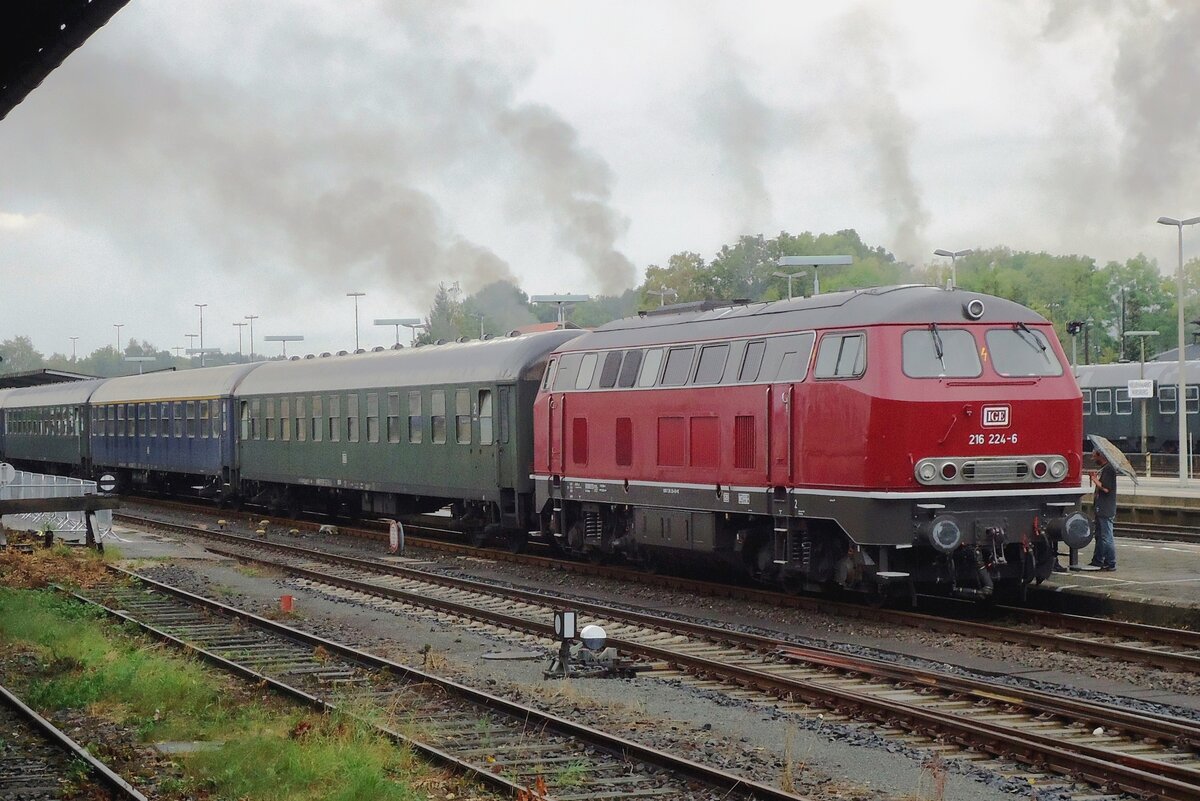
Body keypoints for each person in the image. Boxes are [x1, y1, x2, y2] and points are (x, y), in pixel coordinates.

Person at [1088, 448, 1118, 571]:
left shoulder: (1109, 470)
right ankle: (1097, 560)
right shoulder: (1105, 469)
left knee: (1106, 536)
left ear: (1101, 456)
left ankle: (1110, 562)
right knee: (1099, 536)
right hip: (1101, 508)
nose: (1093, 458)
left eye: (1094, 456)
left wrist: (1094, 479)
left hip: (1106, 508)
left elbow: (1106, 489)